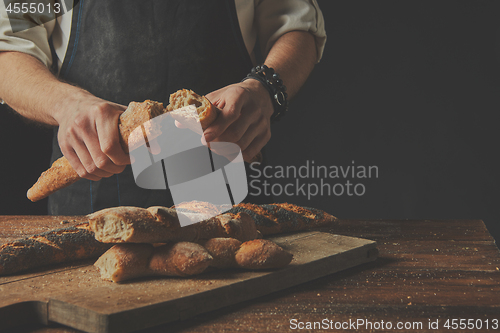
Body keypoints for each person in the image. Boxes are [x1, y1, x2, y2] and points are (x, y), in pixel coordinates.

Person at [0, 0, 326, 215]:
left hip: (224, 187)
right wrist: (66, 104)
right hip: (93, 193)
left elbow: (295, 24)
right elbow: (10, 46)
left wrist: (265, 89)